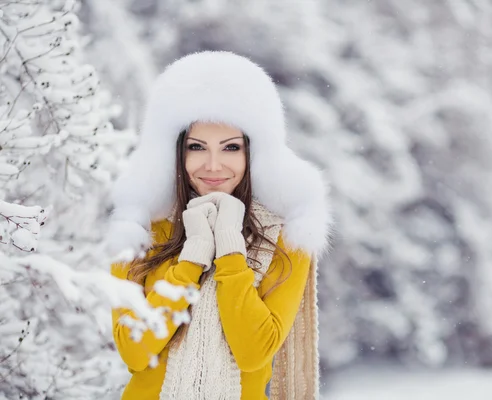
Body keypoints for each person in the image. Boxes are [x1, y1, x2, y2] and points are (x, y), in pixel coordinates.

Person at [106, 51, 332, 400]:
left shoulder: (284, 239)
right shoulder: (140, 231)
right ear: (176, 151)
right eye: (197, 147)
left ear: (253, 152)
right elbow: (135, 352)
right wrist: (191, 259)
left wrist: (229, 246)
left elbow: (254, 351)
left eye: (231, 148)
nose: (213, 165)